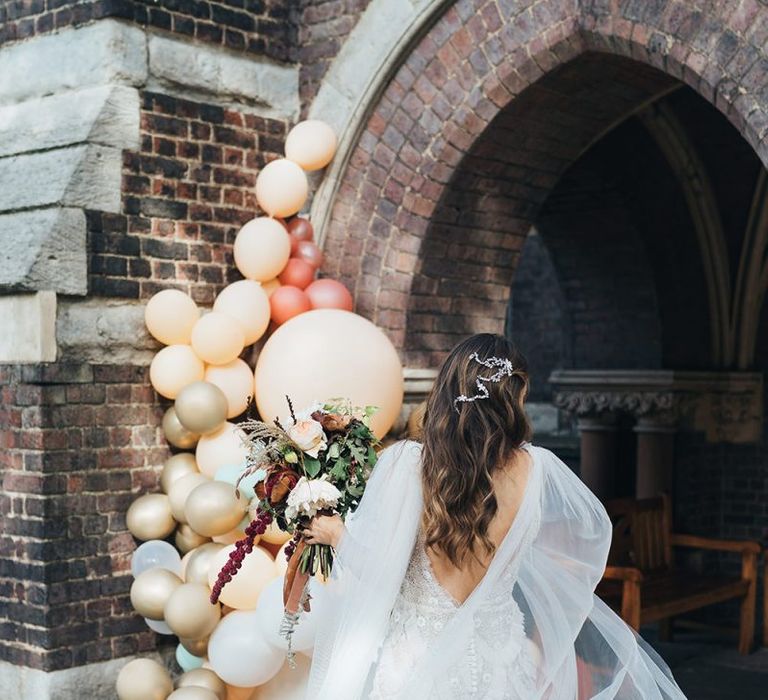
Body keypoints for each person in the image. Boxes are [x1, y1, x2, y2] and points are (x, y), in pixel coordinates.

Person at [302, 333, 687, 699]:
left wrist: (337, 534)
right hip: (501, 662)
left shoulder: (406, 464)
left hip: (416, 665)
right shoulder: (538, 469)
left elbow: (377, 574)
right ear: (512, 397)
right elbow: (585, 538)